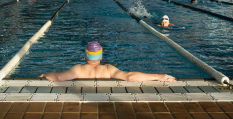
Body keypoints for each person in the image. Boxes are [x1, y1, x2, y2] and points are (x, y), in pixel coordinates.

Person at [38, 41, 176, 82]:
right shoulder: (108, 69)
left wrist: (45, 75)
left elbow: (58, 77)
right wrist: (158, 76)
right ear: (101, 57)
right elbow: (129, 77)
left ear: (85, 57)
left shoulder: (78, 69)